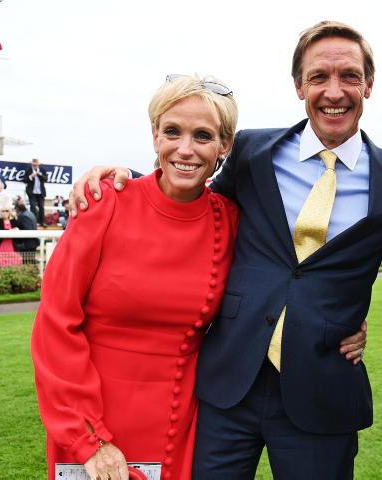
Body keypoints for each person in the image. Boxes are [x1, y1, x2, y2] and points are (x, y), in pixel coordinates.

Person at [70, 21, 382, 479]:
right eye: (318, 77)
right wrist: (124, 180)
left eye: (349, 76)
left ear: (368, 84)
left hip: (323, 391)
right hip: (228, 385)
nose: (334, 91)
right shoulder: (253, 151)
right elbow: (191, 197)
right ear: (299, 86)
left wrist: (349, 317)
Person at [32, 74, 242, 480]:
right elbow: (56, 322)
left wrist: (346, 320)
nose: (185, 149)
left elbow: (281, 279)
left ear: (224, 145)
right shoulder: (104, 202)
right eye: (172, 132)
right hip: (91, 422)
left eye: (202, 136)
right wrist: (88, 438)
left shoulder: (231, 220)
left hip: (179, 425)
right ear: (155, 135)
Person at [25, 158, 48, 225]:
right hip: (31, 192)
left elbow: (46, 179)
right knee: (33, 207)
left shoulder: (42, 170)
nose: (35, 166)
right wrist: (31, 176)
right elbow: (25, 180)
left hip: (40, 192)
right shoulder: (28, 170)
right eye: (34, 165)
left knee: (41, 207)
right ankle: (33, 221)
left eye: (36, 165)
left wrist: (40, 175)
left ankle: (42, 222)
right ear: (32, 164)